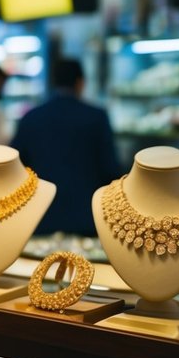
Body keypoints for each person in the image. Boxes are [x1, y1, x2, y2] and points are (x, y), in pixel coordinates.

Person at [11, 59, 122, 236]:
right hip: (87, 219)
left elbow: (15, 169)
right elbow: (110, 169)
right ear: (80, 83)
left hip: (40, 218)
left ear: (54, 82)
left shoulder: (31, 118)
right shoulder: (97, 117)